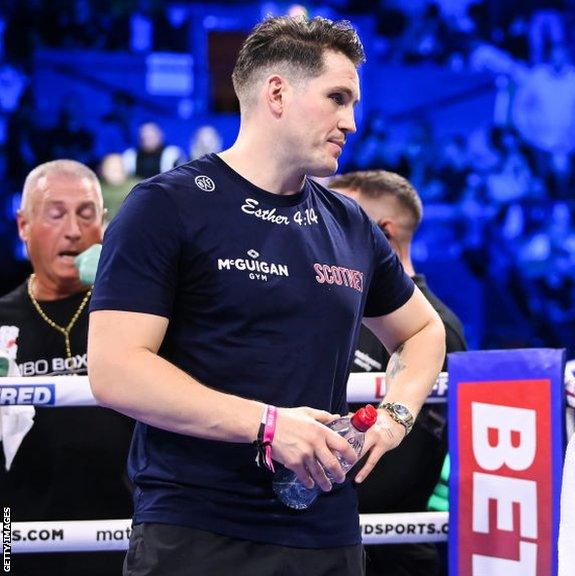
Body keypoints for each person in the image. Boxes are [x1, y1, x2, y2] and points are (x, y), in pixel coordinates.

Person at [87, 16, 446, 576]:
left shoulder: (349, 224)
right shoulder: (166, 206)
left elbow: (425, 331)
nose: (351, 122)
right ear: (277, 92)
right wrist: (268, 424)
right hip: (198, 529)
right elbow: (113, 370)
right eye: (337, 98)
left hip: (326, 534)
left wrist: (396, 414)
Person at [329, 170, 467, 576]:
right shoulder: (334, 308)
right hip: (321, 531)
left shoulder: (437, 328)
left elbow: (422, 457)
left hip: (388, 545)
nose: (322, 228)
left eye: (339, 217)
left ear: (382, 232)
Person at [0, 159, 134, 576]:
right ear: (23, 226)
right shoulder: (1, 322)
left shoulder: (136, 313)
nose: (73, 230)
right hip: (16, 529)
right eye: (56, 215)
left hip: (128, 530)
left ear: (105, 225)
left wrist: (125, 277)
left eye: (87, 214)